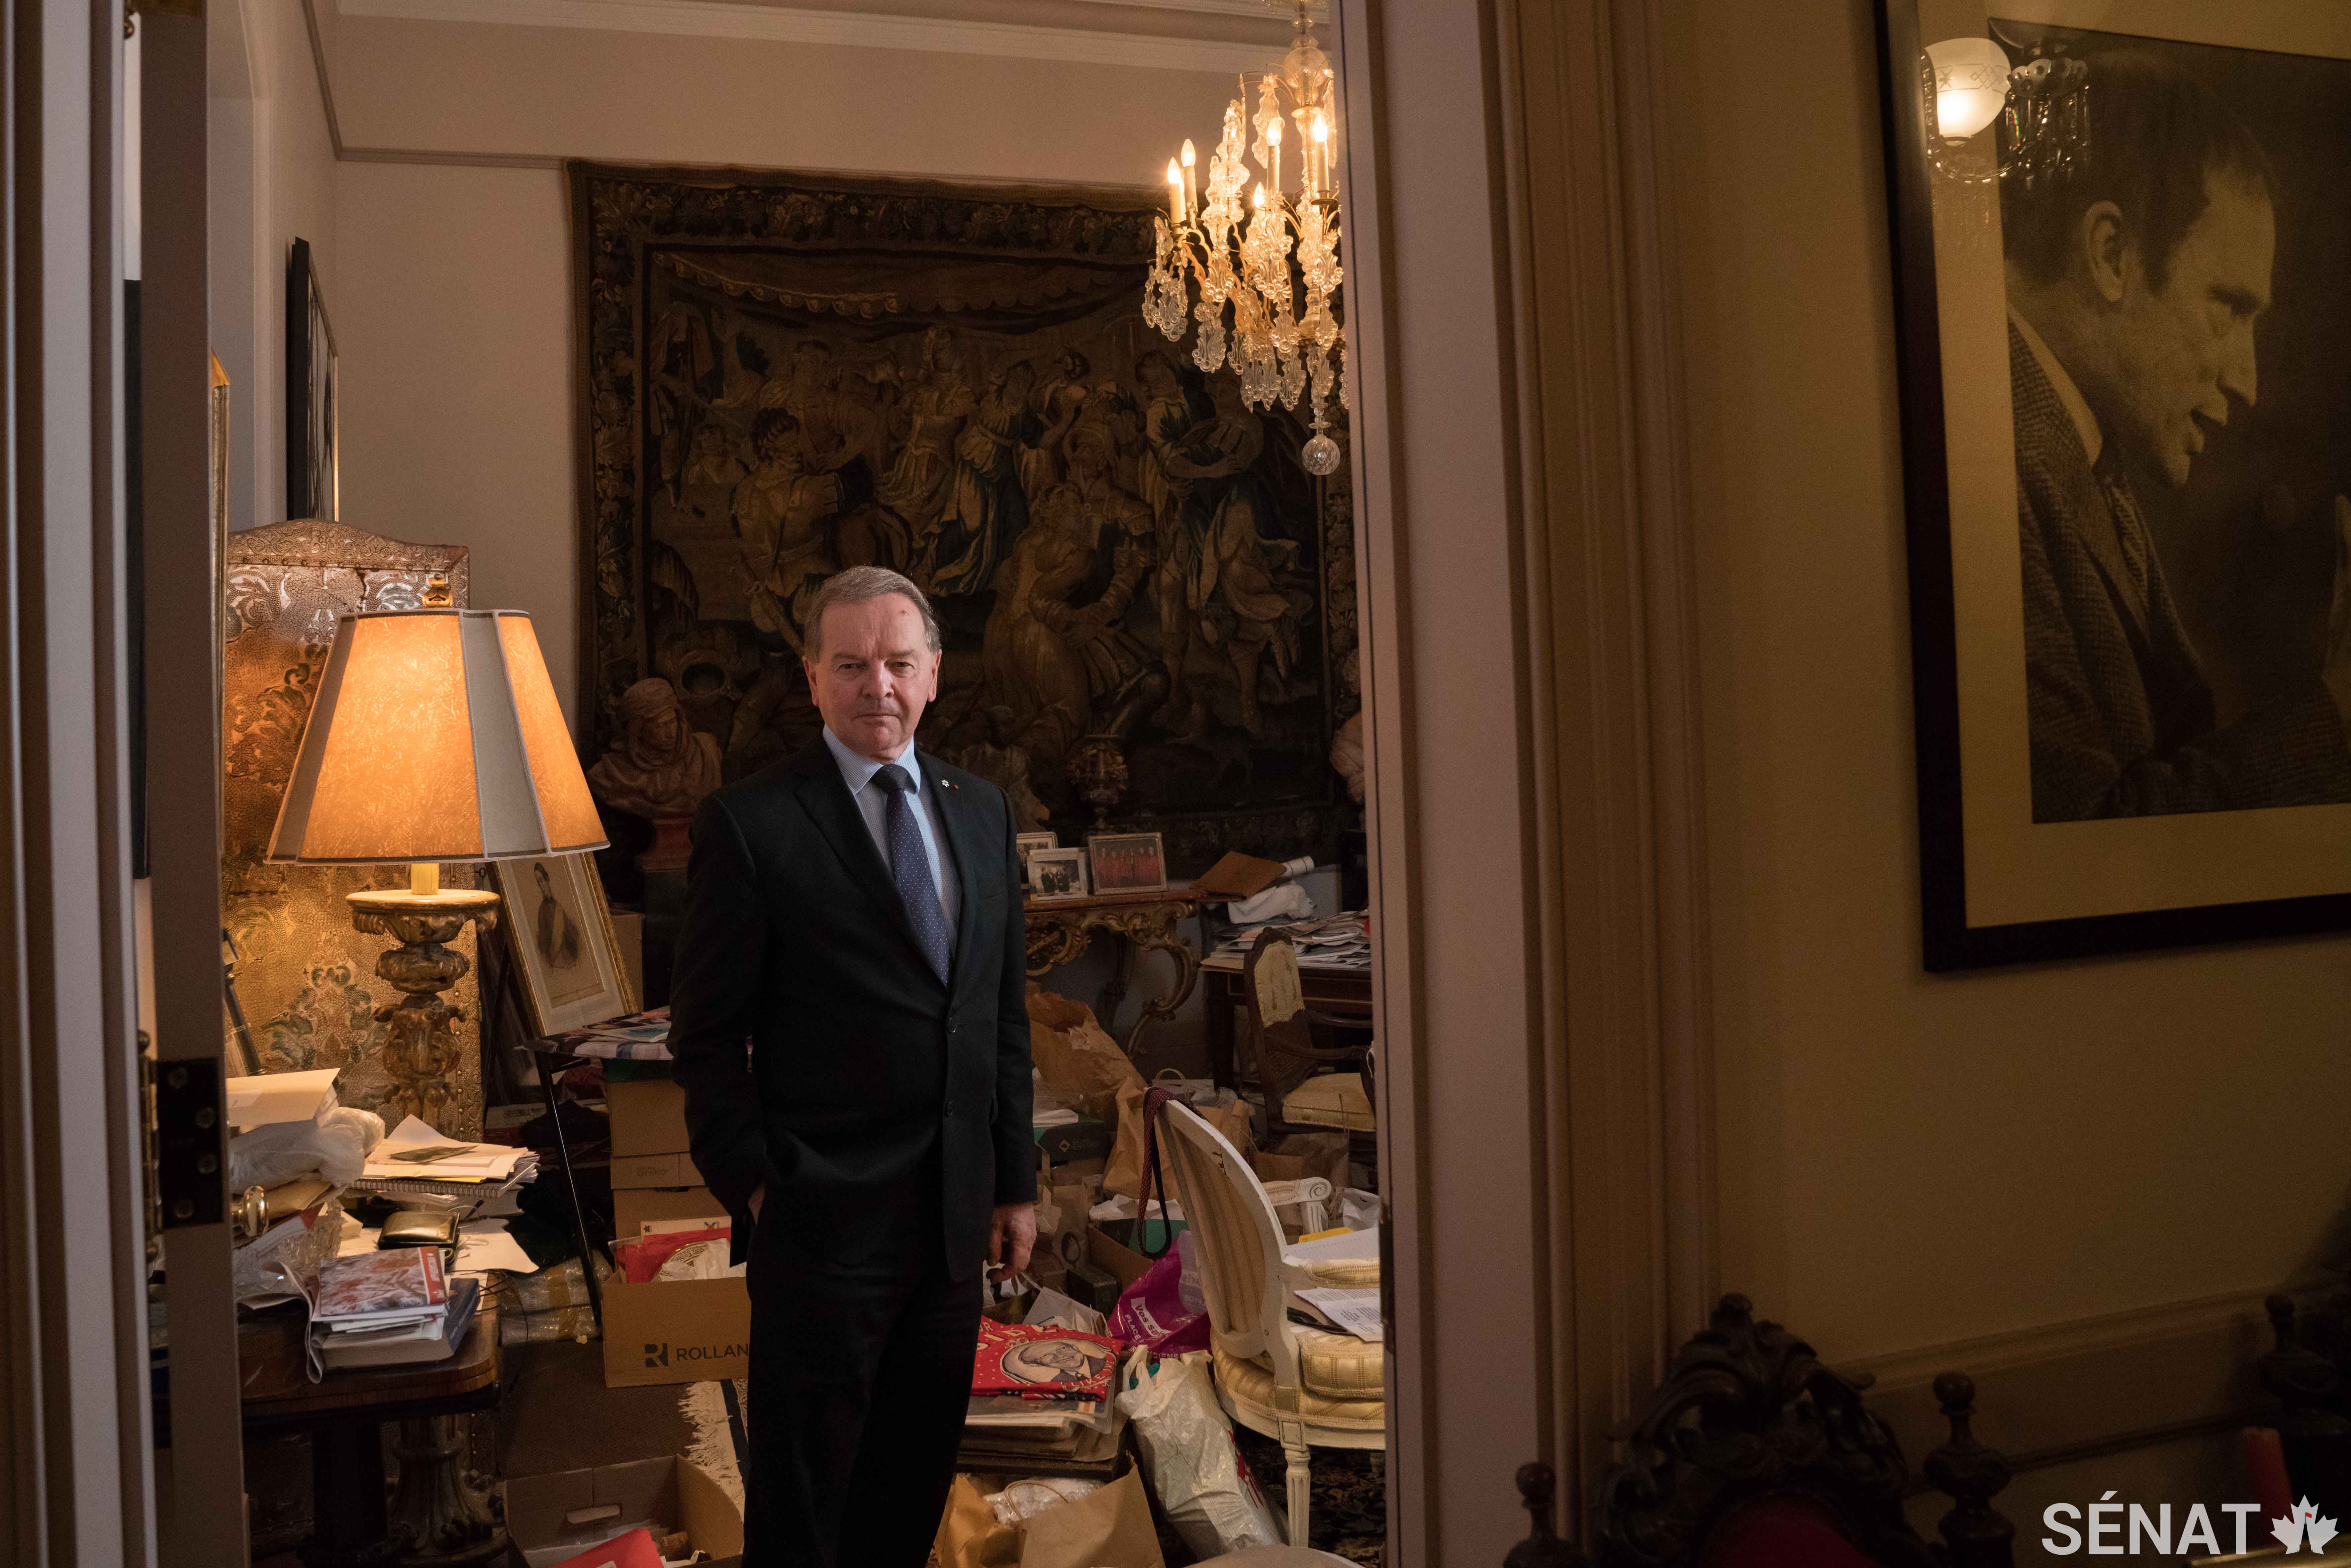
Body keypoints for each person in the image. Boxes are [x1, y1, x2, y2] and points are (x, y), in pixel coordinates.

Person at [666, 565, 1036, 1567]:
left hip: (954, 1222)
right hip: (820, 1221)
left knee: (909, 1484)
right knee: (806, 1504)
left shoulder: (982, 810)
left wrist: (1014, 1184)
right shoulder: (751, 823)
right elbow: (703, 1037)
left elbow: (998, 1017)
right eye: (852, 664)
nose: (878, 684)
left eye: (898, 663)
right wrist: (753, 1183)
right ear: (813, 677)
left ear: (933, 674)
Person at [2003, 51, 2351, 819]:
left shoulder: (2078, 448)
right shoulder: (1992, 479)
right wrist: (2337, 717)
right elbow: (2081, 849)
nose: (2247, 382)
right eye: (2228, 309)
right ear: (2111, 255)